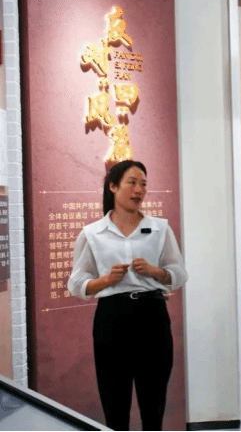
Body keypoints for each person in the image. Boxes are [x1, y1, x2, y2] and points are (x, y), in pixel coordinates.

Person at [67, 160, 188, 431]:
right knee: (115, 403)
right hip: (112, 318)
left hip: (152, 316)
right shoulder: (93, 233)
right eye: (132, 183)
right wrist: (106, 280)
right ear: (113, 186)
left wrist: (157, 272)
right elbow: (76, 284)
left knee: (153, 403)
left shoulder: (159, 228)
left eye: (143, 184)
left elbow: (179, 273)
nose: (139, 190)